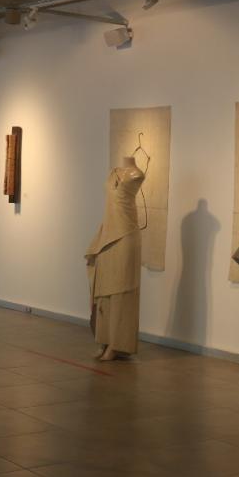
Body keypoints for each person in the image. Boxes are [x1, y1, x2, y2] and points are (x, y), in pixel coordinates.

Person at [84, 152, 147, 361]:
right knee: (103, 292)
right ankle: (103, 340)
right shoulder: (113, 173)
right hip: (107, 235)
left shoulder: (137, 174)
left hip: (125, 235)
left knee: (121, 292)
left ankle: (117, 344)